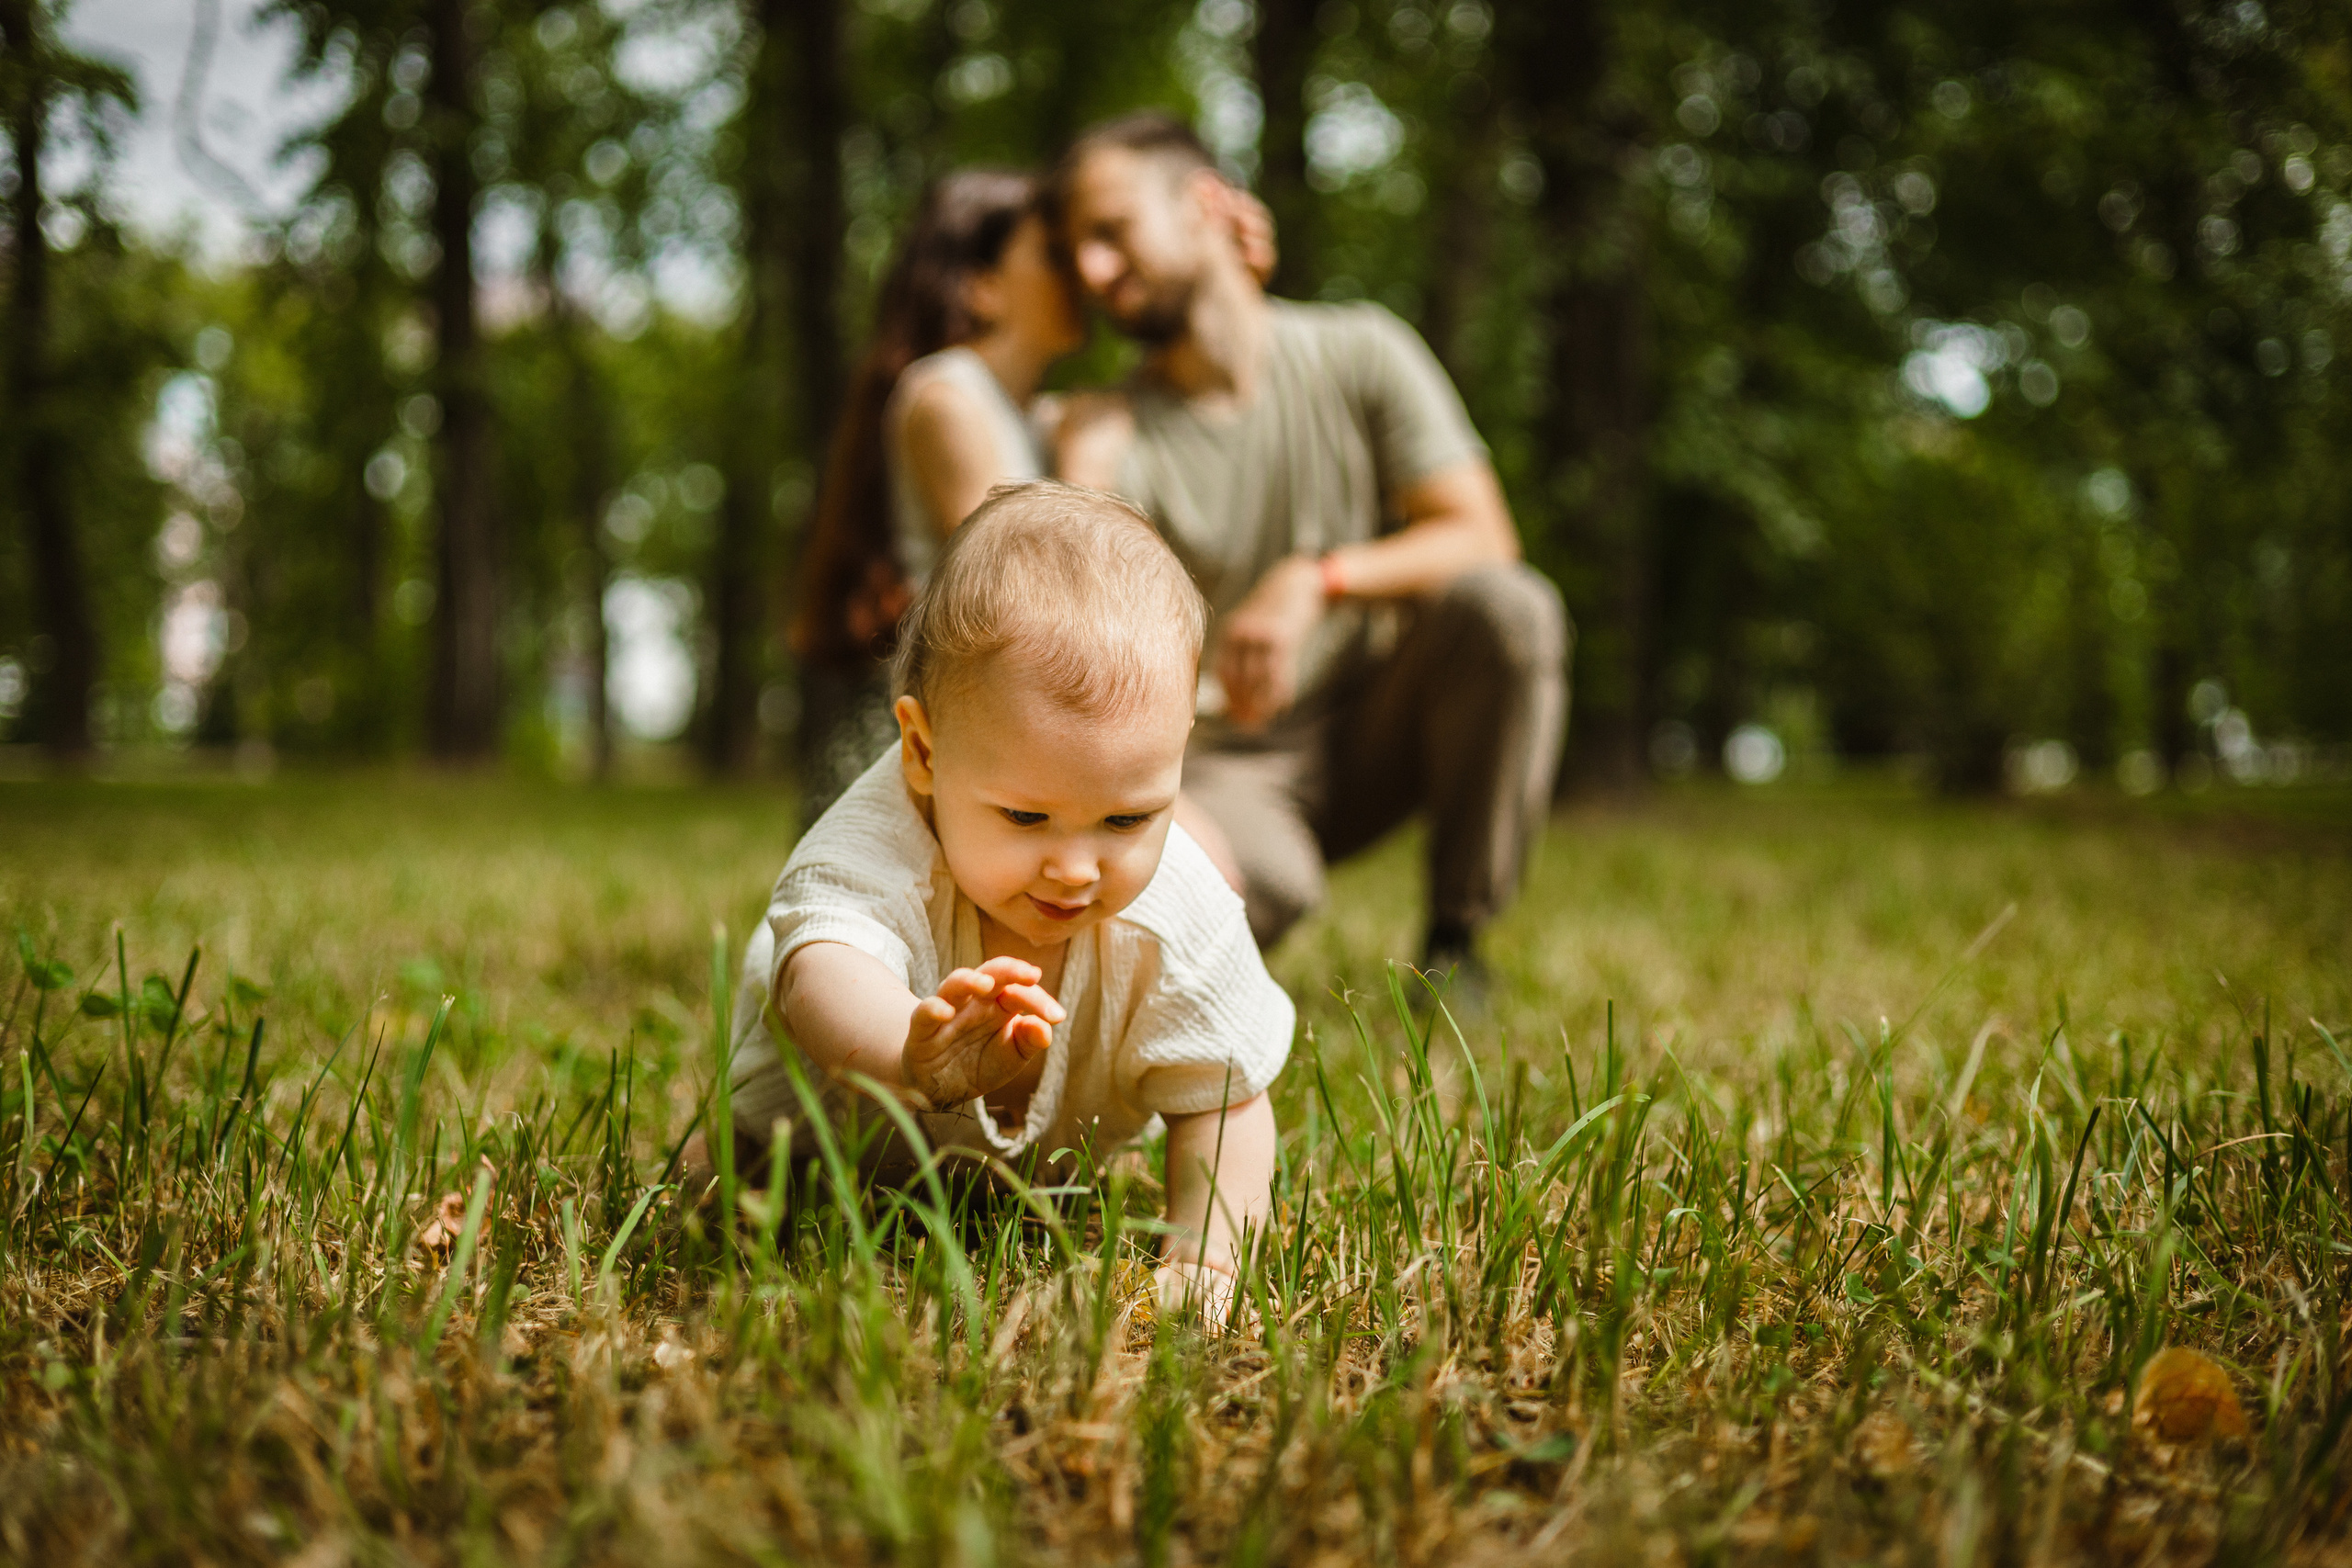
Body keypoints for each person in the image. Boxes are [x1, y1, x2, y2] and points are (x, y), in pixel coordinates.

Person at [729, 481, 1293, 1317]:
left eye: (1128, 816)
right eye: (1027, 815)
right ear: (923, 751)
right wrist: (908, 1053)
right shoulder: (875, 845)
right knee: (728, 1182)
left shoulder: (1178, 904)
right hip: (819, 1145)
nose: (1075, 866)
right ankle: (723, 1163)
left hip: (1045, 1171)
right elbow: (820, 969)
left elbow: (1227, 1091)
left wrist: (1208, 1259)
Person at [1053, 113, 1570, 992]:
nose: (1096, 272)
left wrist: (1319, 579)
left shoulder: (1361, 350)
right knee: (1253, 897)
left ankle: (1456, 944)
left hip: (1368, 722)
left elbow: (1483, 535)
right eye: (1079, 255)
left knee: (1508, 610)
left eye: (1113, 233)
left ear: (1207, 205)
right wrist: (1080, 467)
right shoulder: (1108, 432)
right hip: (1223, 767)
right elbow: (1072, 629)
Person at [790, 170, 1084, 821]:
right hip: (920, 762)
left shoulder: (1029, 416)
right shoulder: (949, 396)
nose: (1083, 270)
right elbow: (1018, 584)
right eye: (1054, 254)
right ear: (983, 285)